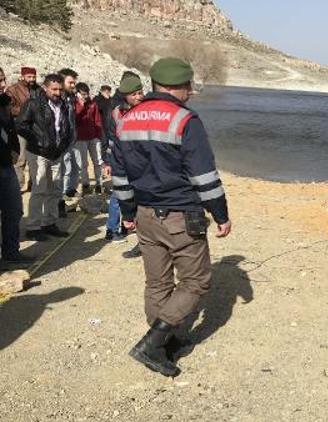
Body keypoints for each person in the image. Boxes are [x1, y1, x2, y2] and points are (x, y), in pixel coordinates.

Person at [111, 58, 231, 377]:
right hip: (180, 215)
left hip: (145, 214)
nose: (191, 91)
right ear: (173, 86)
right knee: (196, 280)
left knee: (157, 282)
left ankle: (166, 342)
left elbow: (120, 179)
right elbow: (204, 176)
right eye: (187, 86)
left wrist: (127, 214)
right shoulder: (185, 120)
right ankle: (152, 343)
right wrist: (221, 215)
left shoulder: (126, 121)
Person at [16, 74, 73, 241]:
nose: (57, 93)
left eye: (60, 90)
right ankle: (33, 227)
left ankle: (49, 223)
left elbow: (66, 126)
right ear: (45, 88)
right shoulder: (33, 104)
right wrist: (38, 140)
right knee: (39, 189)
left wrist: (63, 144)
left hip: (56, 153)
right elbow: (21, 124)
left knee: (55, 189)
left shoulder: (64, 104)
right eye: (54, 89)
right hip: (38, 153)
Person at [103, 73, 144, 246]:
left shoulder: (145, 110)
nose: (138, 97)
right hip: (121, 160)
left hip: (140, 161)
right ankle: (112, 229)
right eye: (134, 94)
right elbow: (110, 139)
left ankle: (134, 228)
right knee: (117, 195)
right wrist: (107, 162)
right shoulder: (116, 112)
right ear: (125, 94)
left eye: (140, 92)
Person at [0, 67, 31, 263]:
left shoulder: (4, 103)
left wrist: (13, 152)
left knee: (14, 208)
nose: (3, 84)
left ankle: (11, 251)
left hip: (5, 164)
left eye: (3, 79)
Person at [6, 66, 40, 192]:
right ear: (22, 76)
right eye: (29, 76)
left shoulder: (38, 89)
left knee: (35, 158)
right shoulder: (13, 89)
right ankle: (18, 186)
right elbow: (8, 108)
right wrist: (26, 111)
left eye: (33, 76)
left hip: (35, 129)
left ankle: (34, 184)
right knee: (21, 159)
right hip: (20, 128)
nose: (32, 79)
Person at [72, 82, 104, 195]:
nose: (86, 96)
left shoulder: (93, 104)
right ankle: (85, 184)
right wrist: (81, 105)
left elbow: (97, 120)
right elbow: (74, 119)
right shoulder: (74, 104)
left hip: (93, 137)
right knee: (83, 163)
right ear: (78, 94)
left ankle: (99, 183)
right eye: (83, 94)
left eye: (87, 94)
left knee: (98, 161)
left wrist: (99, 136)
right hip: (80, 138)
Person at [58, 68, 78, 202]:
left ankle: (69, 190)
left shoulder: (70, 98)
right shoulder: (56, 99)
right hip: (60, 140)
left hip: (70, 138)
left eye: (74, 83)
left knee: (73, 167)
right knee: (65, 168)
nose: (73, 85)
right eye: (70, 82)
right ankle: (61, 196)